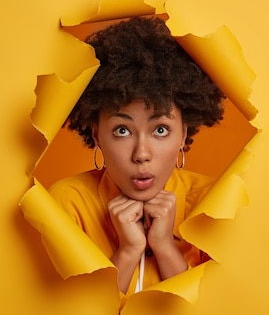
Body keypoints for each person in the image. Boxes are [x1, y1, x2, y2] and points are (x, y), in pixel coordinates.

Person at [49, 16, 225, 297]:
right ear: (96, 136)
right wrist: (128, 251)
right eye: (122, 130)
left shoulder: (212, 206)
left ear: (183, 134)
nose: (141, 154)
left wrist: (165, 247)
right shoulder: (68, 205)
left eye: (160, 129)